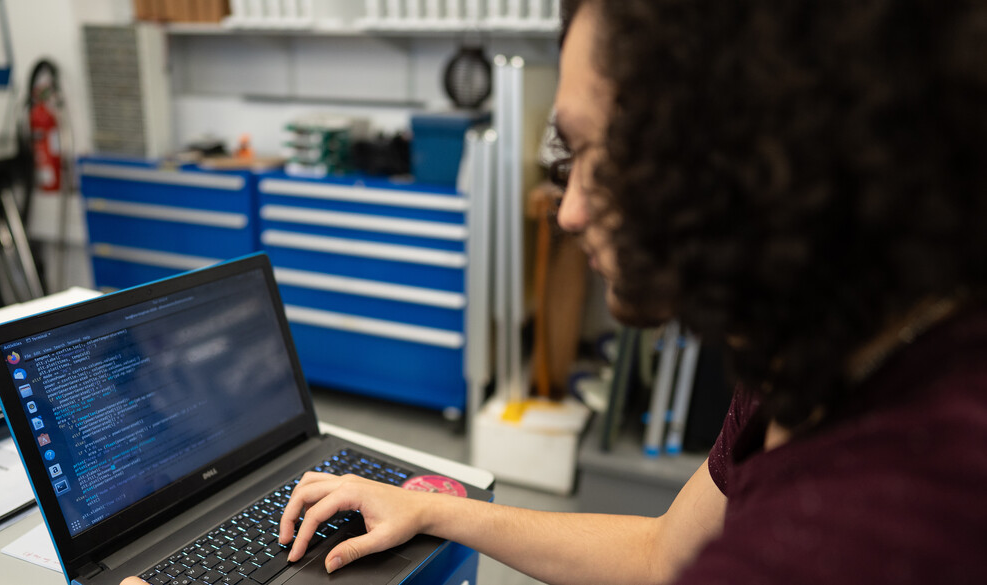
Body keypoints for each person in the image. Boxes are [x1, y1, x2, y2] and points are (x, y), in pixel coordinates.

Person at [125, 0, 986, 583]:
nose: (567, 209)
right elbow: (659, 555)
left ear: (734, 144)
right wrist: (431, 509)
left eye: (591, 154)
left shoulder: (873, 529)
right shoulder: (831, 349)